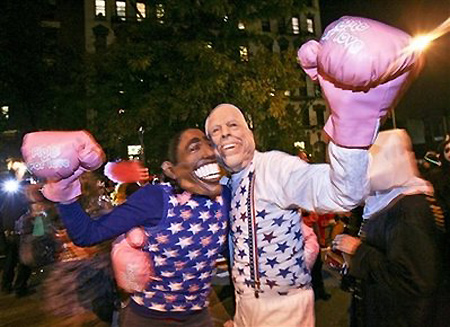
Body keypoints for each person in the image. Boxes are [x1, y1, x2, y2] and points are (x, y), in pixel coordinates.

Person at [205, 15, 422, 327]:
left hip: (284, 312)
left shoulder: (274, 168)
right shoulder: (228, 185)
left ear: (250, 132)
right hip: (245, 309)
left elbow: (342, 192)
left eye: (233, 125)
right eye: (216, 131)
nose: (225, 133)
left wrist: (351, 128)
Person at [21, 128, 230, 327]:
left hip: (199, 318)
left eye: (210, 144)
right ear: (171, 170)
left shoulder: (225, 197)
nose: (209, 151)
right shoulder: (156, 199)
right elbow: (88, 234)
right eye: (194, 148)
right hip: (149, 320)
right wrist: (65, 192)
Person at [333, 129, 443, 327]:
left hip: (401, 317)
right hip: (384, 311)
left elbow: (414, 280)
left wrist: (359, 252)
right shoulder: (386, 202)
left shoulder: (408, 209)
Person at [0, 161, 32, 297]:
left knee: (19, 257)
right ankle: (14, 286)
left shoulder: (25, 185)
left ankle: (14, 285)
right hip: (15, 228)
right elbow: (6, 209)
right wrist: (8, 228)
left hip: (23, 227)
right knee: (16, 257)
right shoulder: (11, 188)